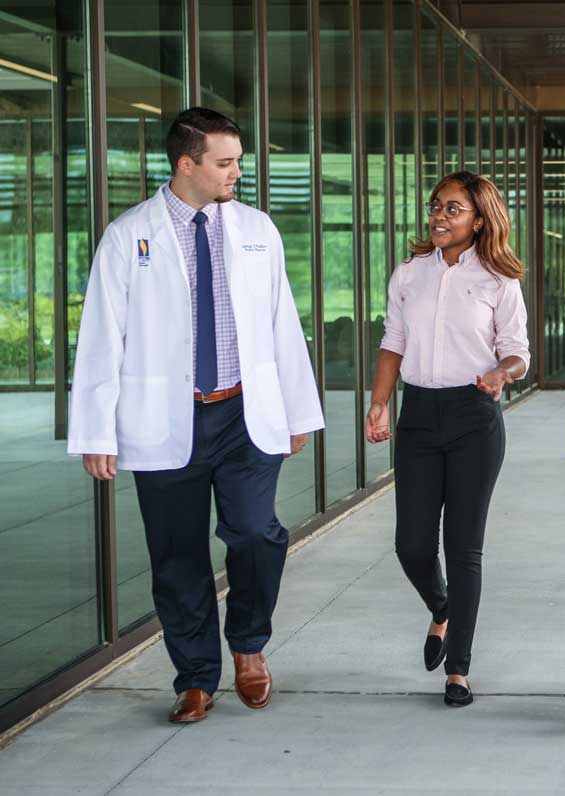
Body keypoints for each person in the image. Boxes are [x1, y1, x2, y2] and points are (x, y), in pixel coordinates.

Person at [68, 107, 324, 723]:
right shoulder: (130, 235)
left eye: (237, 160)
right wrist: (96, 429)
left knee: (257, 533)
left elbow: (281, 324)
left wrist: (297, 409)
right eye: (225, 162)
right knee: (177, 554)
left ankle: (249, 646)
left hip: (243, 413)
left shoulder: (258, 229)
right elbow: (103, 336)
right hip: (166, 418)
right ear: (187, 165)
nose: (237, 171)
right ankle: (195, 677)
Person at [366, 171, 529, 708]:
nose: (440, 216)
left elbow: (518, 351)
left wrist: (501, 373)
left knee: (463, 548)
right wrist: (380, 402)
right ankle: (443, 609)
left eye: (454, 209)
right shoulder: (410, 273)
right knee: (410, 544)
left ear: (480, 219)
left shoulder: (499, 281)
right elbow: (394, 340)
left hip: (473, 417)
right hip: (418, 414)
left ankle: (458, 669)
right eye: (437, 206)